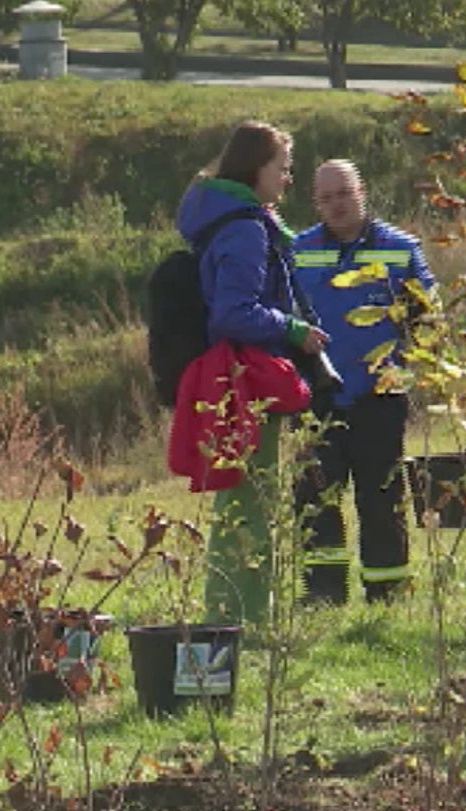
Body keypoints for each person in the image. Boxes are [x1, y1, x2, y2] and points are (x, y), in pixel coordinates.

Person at [175, 121, 337, 625]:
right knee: (252, 499)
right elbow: (233, 311)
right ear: (255, 168)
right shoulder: (246, 228)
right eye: (282, 168)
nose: (288, 179)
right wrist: (294, 331)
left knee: (241, 498)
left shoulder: (230, 219)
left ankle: (235, 610)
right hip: (248, 380)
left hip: (234, 379)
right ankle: (241, 616)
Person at [289, 159, 435, 604]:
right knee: (317, 500)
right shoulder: (296, 251)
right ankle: (323, 595)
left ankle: (388, 593)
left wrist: (410, 367)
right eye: (326, 197)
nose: (336, 205)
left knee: (381, 498)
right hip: (316, 397)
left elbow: (429, 317)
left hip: (380, 395)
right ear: (315, 202)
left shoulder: (400, 248)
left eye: (344, 194)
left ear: (362, 192)